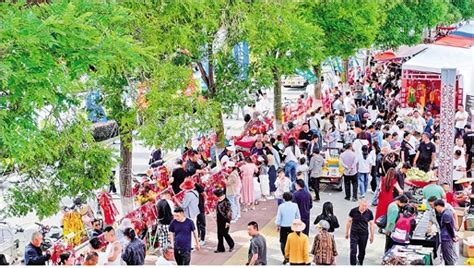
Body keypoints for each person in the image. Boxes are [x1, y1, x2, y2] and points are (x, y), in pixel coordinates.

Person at [345, 199, 375, 266]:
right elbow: (349, 221)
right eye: (363, 206)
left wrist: (372, 236)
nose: (364, 208)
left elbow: (372, 224)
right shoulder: (353, 211)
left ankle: (360, 262)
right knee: (353, 250)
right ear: (359, 205)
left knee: (362, 251)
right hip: (354, 233)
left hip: (364, 234)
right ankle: (353, 264)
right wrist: (347, 232)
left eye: (366, 206)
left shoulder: (369, 213)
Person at [276, 192, 300, 263]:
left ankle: (285, 257)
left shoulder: (281, 206)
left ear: (284, 198)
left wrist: (278, 225)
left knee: (283, 242)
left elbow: (279, 217)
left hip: (283, 226)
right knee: (293, 241)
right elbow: (298, 216)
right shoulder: (295, 205)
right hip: (293, 226)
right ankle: (292, 256)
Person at [434, 200, 458, 265]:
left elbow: (449, 227)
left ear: (438, 206)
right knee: (446, 256)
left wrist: (453, 236)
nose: (435, 209)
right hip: (446, 237)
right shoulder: (446, 212)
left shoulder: (446, 214)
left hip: (446, 238)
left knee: (448, 257)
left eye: (435, 207)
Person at [213, 189, 235, 253]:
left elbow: (229, 213)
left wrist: (228, 222)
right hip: (219, 220)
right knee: (219, 234)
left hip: (225, 220)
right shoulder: (219, 201)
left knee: (225, 233)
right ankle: (220, 248)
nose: (218, 198)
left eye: (219, 196)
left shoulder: (226, 202)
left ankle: (231, 244)